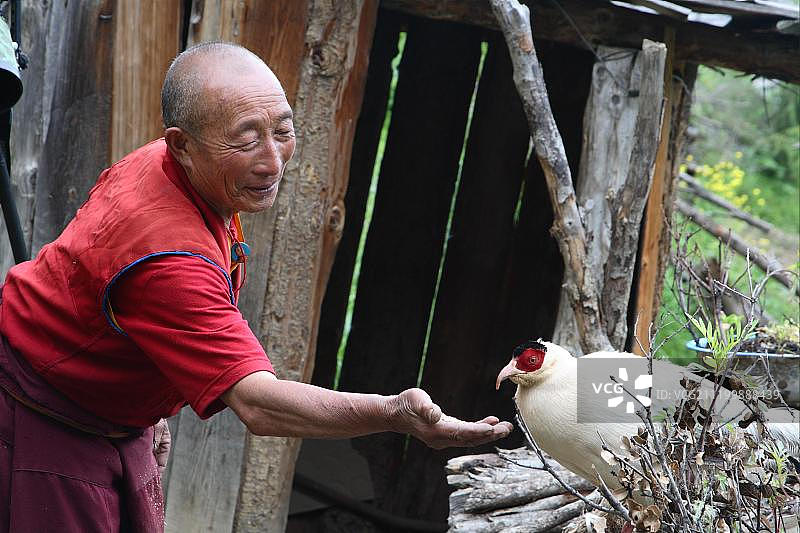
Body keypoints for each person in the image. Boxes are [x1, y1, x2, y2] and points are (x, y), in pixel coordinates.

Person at [0, 42, 512, 532]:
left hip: (105, 410)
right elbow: (259, 405)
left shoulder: (175, 165)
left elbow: (97, 290)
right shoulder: (168, 255)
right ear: (182, 144)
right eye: (246, 140)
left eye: (282, 130)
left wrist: (149, 409)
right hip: (44, 419)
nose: (272, 161)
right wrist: (393, 413)